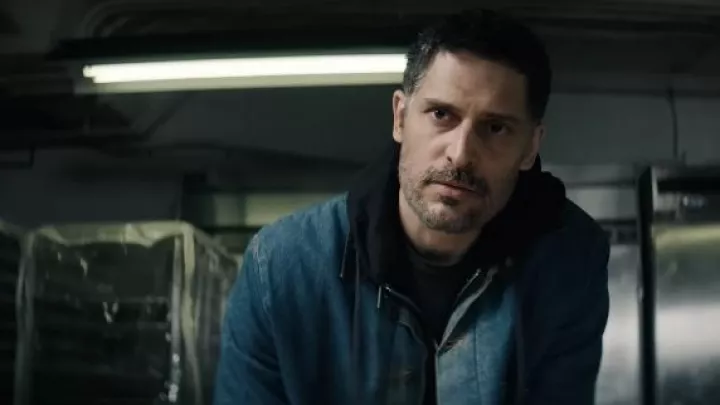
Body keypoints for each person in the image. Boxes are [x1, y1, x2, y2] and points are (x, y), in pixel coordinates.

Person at [214, 9, 609, 405]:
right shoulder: (282, 267)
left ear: (530, 148)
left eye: (495, 128)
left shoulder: (567, 262)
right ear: (400, 117)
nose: (460, 154)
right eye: (441, 114)